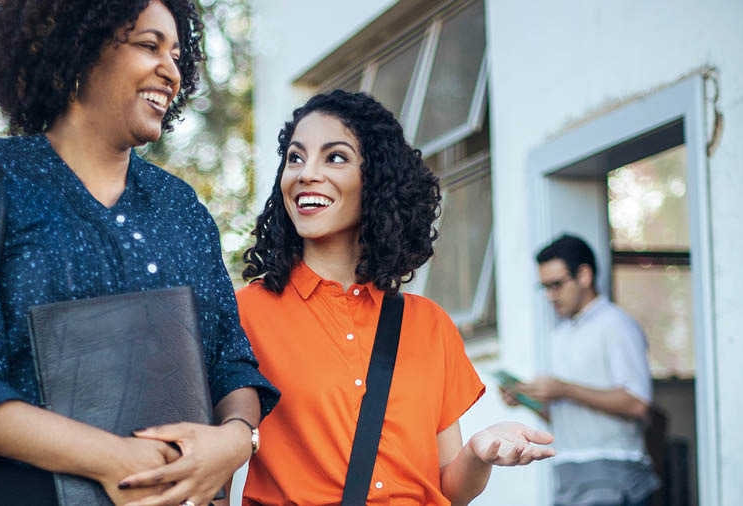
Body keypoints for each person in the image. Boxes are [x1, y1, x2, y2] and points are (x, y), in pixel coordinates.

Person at [0, 2, 278, 506]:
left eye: (178, 55)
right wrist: (112, 459)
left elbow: (231, 361)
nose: (171, 70)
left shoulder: (182, 208)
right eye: (149, 45)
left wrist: (234, 439)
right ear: (77, 47)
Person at [211, 90, 555, 506]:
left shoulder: (430, 324)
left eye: (334, 157)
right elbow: (214, 480)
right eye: (295, 158)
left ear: (375, 180)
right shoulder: (245, 314)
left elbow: (449, 489)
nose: (305, 173)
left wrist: (480, 453)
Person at [501, 234, 660, 506]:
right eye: (545, 287)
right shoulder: (559, 334)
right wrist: (526, 400)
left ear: (584, 275)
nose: (550, 296)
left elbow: (638, 403)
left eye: (556, 285)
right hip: (568, 470)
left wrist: (565, 389)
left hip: (613, 469)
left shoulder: (616, 324)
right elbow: (568, 416)